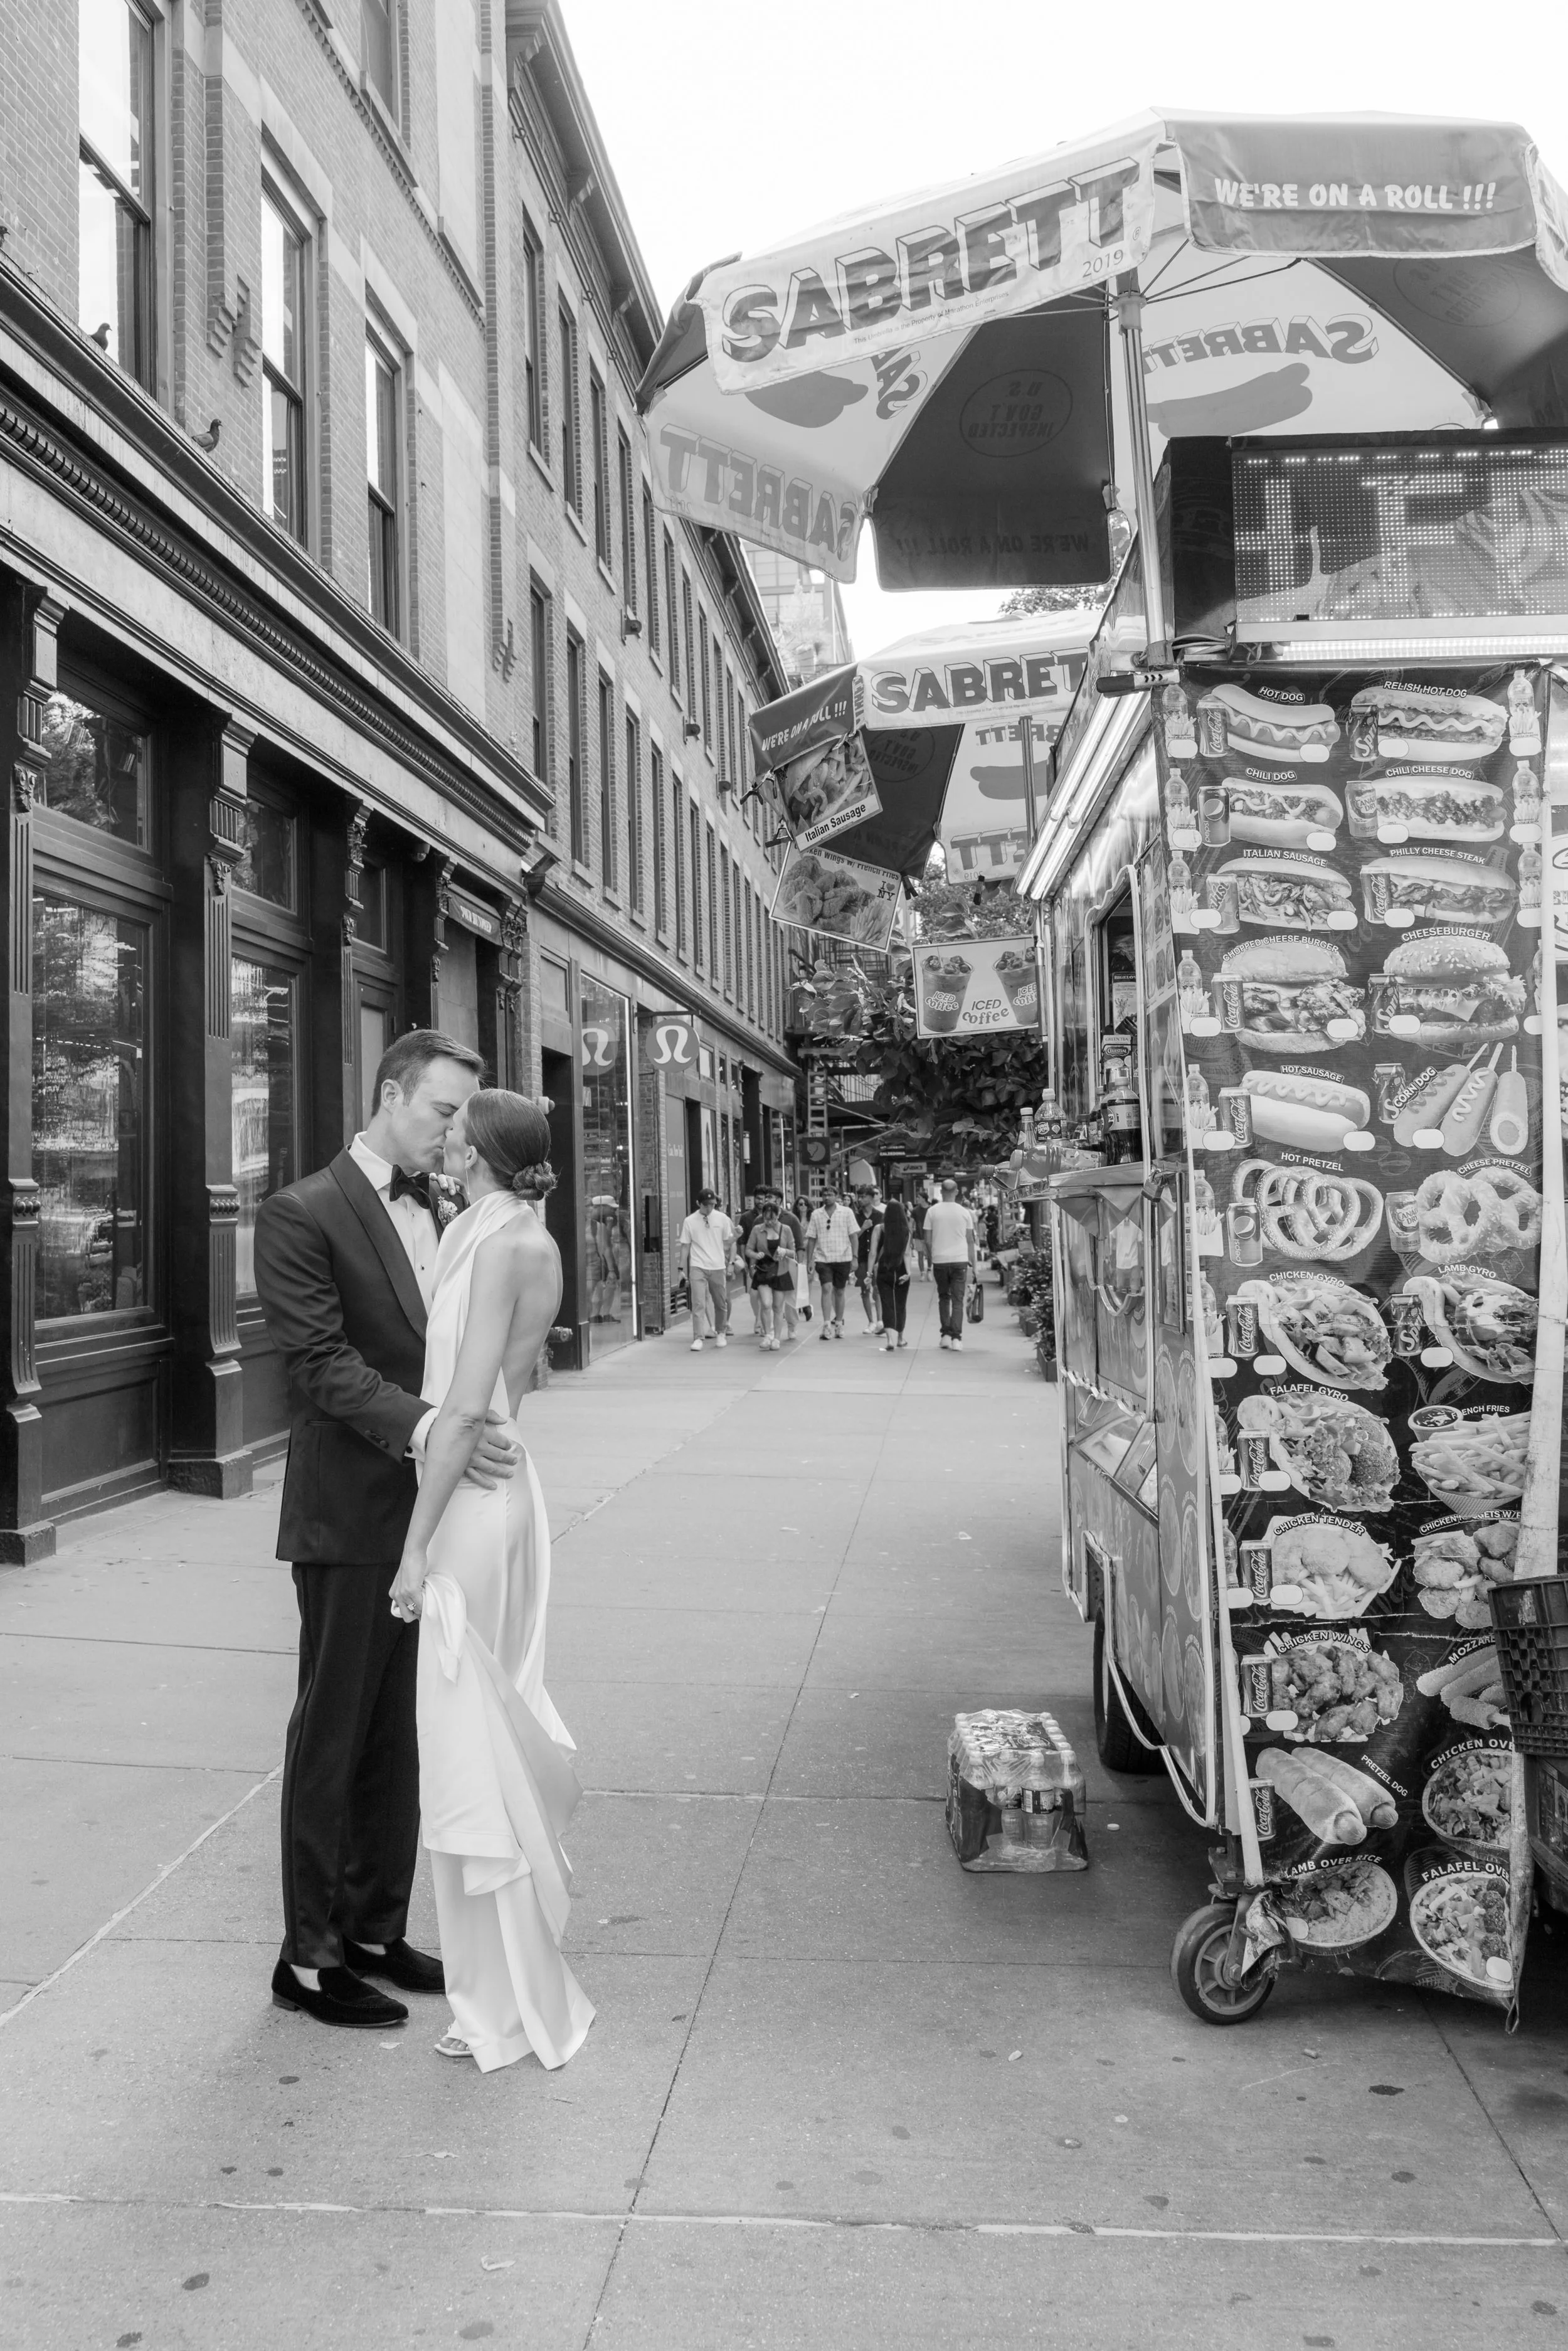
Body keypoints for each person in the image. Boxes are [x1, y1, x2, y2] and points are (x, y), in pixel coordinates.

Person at [255, 1029, 521, 2032]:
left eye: (462, 1118)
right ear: (390, 1093)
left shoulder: (451, 1208)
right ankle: (308, 1958)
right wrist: (430, 1430)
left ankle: (372, 1924)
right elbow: (319, 1363)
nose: (456, 1137)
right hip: (352, 1515)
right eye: (444, 1112)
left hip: (434, 1516)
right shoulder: (300, 1211)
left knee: (402, 1736)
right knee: (333, 1733)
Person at [388, 1091, 594, 2071]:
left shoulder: (509, 1241)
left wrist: (414, 1546)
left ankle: (503, 2007)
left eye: (456, 1121)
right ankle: (491, 1995)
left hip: (473, 1497)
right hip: (486, 1483)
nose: (445, 1130)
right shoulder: (489, 1224)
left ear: (476, 1148)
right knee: (474, 1736)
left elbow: (469, 1408)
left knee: (468, 1742)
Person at [678, 1187, 735, 1349]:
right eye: (706, 1205)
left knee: (720, 1302)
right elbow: (685, 1246)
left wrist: (734, 1240)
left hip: (717, 1266)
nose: (709, 1208)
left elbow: (727, 1244)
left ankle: (721, 1333)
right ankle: (698, 1338)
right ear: (698, 1204)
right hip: (698, 1265)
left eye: (712, 1205)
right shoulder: (689, 1221)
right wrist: (680, 1269)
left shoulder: (722, 1219)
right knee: (698, 1303)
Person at [928, 1177, 977, 1351]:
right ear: (956, 1192)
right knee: (958, 1300)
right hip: (960, 1260)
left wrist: (930, 1258)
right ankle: (957, 1338)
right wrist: (974, 1264)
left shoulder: (932, 1212)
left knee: (944, 1298)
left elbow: (927, 1241)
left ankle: (945, 1336)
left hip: (939, 1260)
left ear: (941, 1192)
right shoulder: (965, 1213)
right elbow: (970, 1240)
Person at [805, 1186, 859, 1339]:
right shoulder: (817, 1214)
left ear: (836, 1196)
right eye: (824, 1195)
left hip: (843, 1257)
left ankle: (839, 1323)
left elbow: (854, 1236)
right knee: (827, 1288)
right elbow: (812, 1238)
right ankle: (827, 1324)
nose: (827, 1197)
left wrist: (855, 1257)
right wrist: (810, 1260)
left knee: (840, 1291)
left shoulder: (847, 1213)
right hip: (823, 1258)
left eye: (830, 1195)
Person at [744, 1202, 796, 1350]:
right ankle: (768, 1334)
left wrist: (785, 1251)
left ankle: (777, 1338)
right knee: (766, 1304)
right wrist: (755, 1255)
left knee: (778, 1306)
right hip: (763, 1269)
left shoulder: (786, 1230)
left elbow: (794, 1251)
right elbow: (748, 1249)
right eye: (766, 1219)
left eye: (772, 1219)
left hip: (781, 1269)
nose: (769, 1222)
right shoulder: (757, 1230)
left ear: (778, 1216)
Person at [869, 1197, 911, 1352]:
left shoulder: (879, 1229)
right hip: (901, 1271)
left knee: (887, 1304)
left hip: (884, 1270)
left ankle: (890, 1340)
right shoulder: (906, 1232)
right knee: (900, 1305)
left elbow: (873, 1253)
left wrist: (869, 1273)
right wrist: (908, 1272)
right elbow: (907, 1254)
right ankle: (900, 1338)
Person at [854, 1190, 885, 1334]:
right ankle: (870, 1322)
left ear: (872, 1198)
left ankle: (880, 1321)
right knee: (864, 1290)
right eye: (859, 1197)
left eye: (863, 1196)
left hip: (877, 1257)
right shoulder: (855, 1216)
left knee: (877, 1289)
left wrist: (882, 1257)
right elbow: (852, 1237)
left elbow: (885, 1238)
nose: (860, 1199)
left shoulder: (880, 1216)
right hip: (861, 1257)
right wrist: (863, 1228)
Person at [910, 1192, 931, 1280]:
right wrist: (910, 1237)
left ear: (924, 1198)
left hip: (930, 1236)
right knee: (920, 1255)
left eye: (919, 1197)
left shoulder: (931, 1210)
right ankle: (922, 1273)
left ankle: (929, 1270)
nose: (917, 1199)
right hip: (919, 1235)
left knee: (930, 1255)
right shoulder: (915, 1210)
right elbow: (910, 1223)